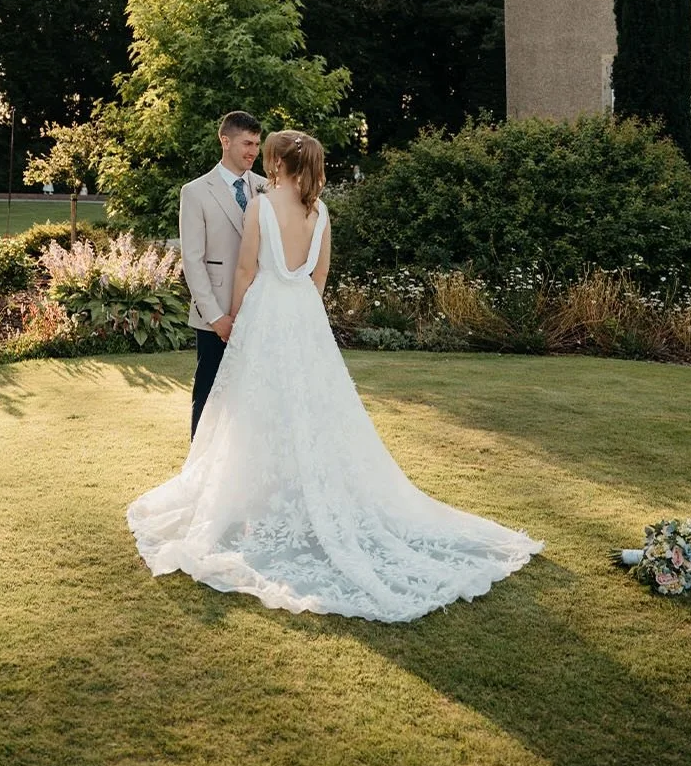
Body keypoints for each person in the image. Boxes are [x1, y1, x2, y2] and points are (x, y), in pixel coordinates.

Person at [128, 129, 543, 622]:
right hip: (303, 314)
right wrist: (303, 313)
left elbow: (243, 271)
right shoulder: (321, 212)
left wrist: (237, 321)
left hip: (262, 313)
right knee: (310, 406)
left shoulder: (261, 207)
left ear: (278, 164)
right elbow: (319, 276)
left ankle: (253, 500)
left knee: (255, 407)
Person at [177, 110, 263, 441]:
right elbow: (193, 260)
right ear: (225, 141)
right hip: (215, 315)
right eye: (247, 143)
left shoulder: (266, 188)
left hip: (258, 310)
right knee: (209, 395)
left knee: (253, 397)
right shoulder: (195, 192)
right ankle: (197, 470)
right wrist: (216, 317)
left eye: (257, 143)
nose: (253, 151)